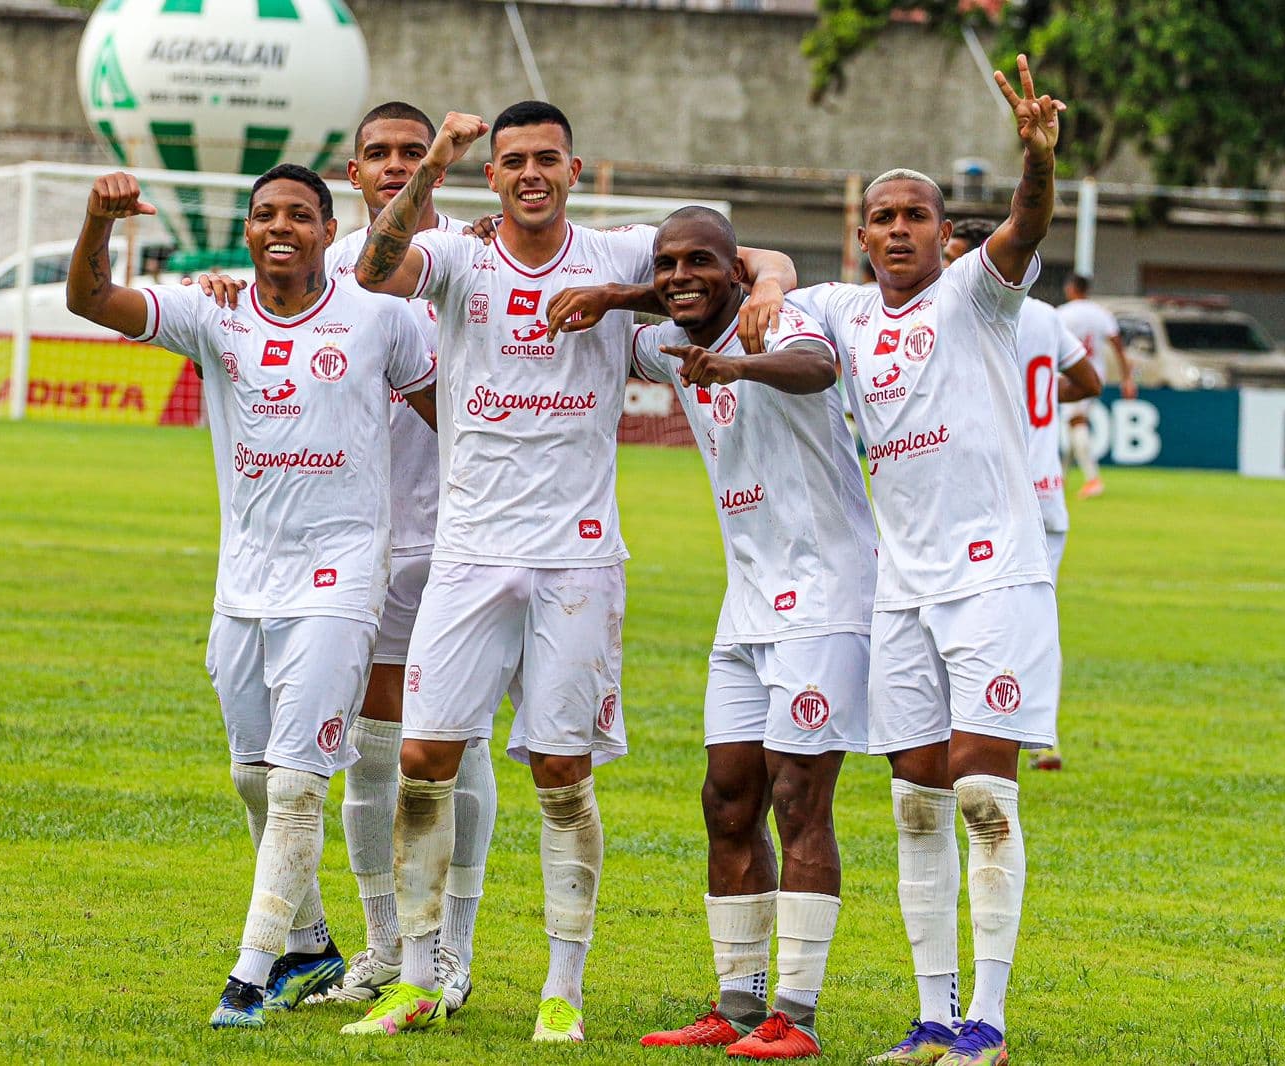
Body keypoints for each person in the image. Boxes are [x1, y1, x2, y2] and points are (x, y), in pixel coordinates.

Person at [341, 101, 797, 1042]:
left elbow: (739, 257)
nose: (531, 174)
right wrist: (434, 161)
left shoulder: (622, 251)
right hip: (470, 553)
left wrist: (768, 280)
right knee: (425, 757)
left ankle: (564, 986)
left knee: (561, 771)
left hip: (578, 557)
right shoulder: (460, 257)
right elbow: (374, 266)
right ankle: (418, 977)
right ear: (493, 174)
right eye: (513, 161)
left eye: (547, 158)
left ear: (576, 170)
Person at [65, 165, 438, 1030]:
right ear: (246, 231)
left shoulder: (379, 317)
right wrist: (97, 220)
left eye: (300, 216)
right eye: (265, 214)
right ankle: (309, 946)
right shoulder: (215, 312)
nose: (282, 228)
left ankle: (248, 976)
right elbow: (92, 300)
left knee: (299, 780)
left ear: (326, 227)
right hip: (244, 583)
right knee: (252, 778)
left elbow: (445, 419)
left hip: (342, 580)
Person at [550, 207, 877, 1058]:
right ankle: (737, 1005)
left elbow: (813, 367)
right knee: (727, 799)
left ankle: (796, 1019)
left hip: (828, 593)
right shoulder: (665, 339)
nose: (682, 273)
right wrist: (631, 290)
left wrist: (739, 359)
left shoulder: (779, 316)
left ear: (739, 272)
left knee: (801, 799)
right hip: (747, 604)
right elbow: (665, 293)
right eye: (668, 263)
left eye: (703, 261)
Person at [789, 56, 1064, 1066]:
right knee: (913, 803)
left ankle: (986, 1023)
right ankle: (933, 1018)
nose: (897, 228)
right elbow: (763, 278)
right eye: (880, 215)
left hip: (994, 578)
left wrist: (1035, 163)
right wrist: (768, 288)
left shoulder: (974, 296)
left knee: (985, 795)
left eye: (916, 215)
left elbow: (1026, 225)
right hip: (900, 589)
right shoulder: (843, 313)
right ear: (860, 236)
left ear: (946, 234)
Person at [321, 101, 497, 1013]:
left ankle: (454, 951)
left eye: (412, 151)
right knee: (368, 754)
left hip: (465, 539)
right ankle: (383, 947)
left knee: (456, 753)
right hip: (357, 544)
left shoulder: (478, 254)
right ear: (353, 172)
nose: (398, 164)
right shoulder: (328, 271)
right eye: (379, 154)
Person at [945, 220, 1101, 775]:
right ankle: (1042, 737)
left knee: (963, 613)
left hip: (989, 491)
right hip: (1045, 491)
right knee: (1035, 618)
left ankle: (964, 726)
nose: (950, 271)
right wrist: (1039, 399)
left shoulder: (966, 314)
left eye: (957, 258)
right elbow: (1088, 383)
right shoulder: (1046, 316)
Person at [1056, 273, 1135, 498]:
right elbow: (1117, 345)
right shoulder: (1101, 314)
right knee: (1073, 423)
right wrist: (1126, 378)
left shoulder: (1062, 314)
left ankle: (1093, 479)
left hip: (1070, 375)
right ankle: (1060, 478)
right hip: (1094, 376)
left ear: (1071, 289)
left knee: (1075, 421)